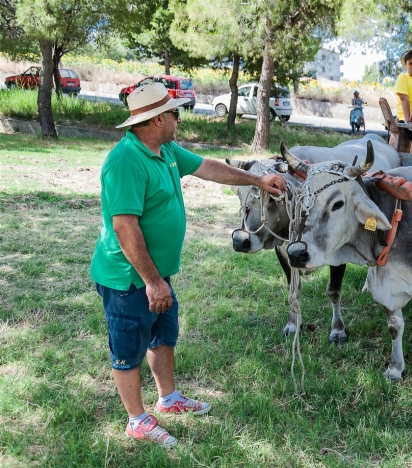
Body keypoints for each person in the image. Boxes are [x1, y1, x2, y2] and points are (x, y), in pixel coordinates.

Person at [90, 83, 287, 447]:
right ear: (158, 119)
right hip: (129, 278)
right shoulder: (125, 161)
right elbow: (124, 227)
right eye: (175, 113)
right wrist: (152, 282)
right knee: (128, 347)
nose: (180, 118)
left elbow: (209, 168)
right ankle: (136, 420)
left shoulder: (164, 150)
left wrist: (258, 179)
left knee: (163, 335)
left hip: (155, 274)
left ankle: (167, 399)